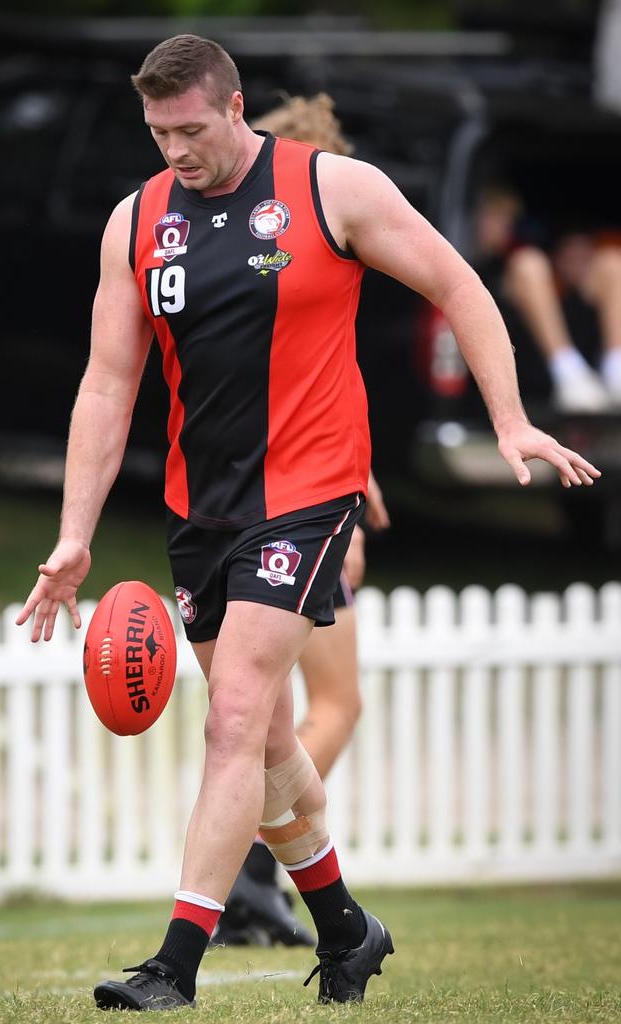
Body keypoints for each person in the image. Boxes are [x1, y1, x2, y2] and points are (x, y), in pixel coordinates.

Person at [17, 35, 600, 1011]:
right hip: (202, 503)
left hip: (312, 489)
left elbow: (459, 284)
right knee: (276, 740)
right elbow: (109, 383)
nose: (176, 152)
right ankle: (346, 926)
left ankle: (174, 963)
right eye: (159, 134)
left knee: (236, 714)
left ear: (236, 107)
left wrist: (509, 417)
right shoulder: (138, 220)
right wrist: (74, 535)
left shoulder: (334, 191)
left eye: (192, 130)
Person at [211, 93, 391, 949]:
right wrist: (349, 501)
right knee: (325, 705)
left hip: (285, 495)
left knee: (268, 716)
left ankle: (261, 871)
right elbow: (306, 396)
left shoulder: (271, 253)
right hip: (294, 509)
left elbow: (316, 382)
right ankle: (251, 862)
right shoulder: (306, 239)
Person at [474, 186, 621, 412]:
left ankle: (616, 368)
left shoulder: (596, 283)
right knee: (528, 264)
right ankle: (568, 372)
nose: (504, 224)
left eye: (507, 217)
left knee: (613, 262)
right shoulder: (504, 263)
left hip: (594, 380)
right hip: (527, 374)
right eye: (496, 216)